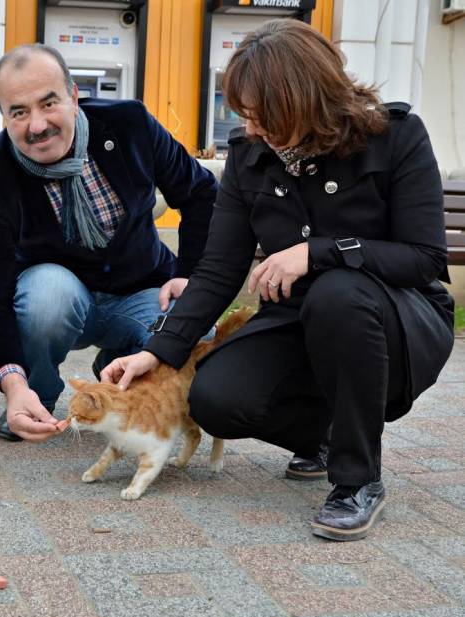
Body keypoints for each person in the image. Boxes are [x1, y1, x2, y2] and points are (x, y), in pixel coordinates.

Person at [102, 19, 454, 542]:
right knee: (216, 400)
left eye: (263, 115)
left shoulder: (395, 137)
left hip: (396, 319)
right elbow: (220, 269)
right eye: (244, 114)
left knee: (339, 293)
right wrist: (157, 351)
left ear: (306, 100)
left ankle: (357, 481)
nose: (251, 128)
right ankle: (325, 434)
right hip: (298, 316)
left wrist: (318, 252)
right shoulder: (250, 158)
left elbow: (424, 259)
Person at [0, 44, 218, 442]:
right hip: (60, 303)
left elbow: (202, 194)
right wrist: (13, 385)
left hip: (141, 289)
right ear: (4, 117)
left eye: (49, 103)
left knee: (198, 330)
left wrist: (189, 274)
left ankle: (119, 365)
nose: (36, 125)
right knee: (47, 291)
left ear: (74, 96)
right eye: (19, 112)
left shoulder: (129, 124)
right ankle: (38, 398)